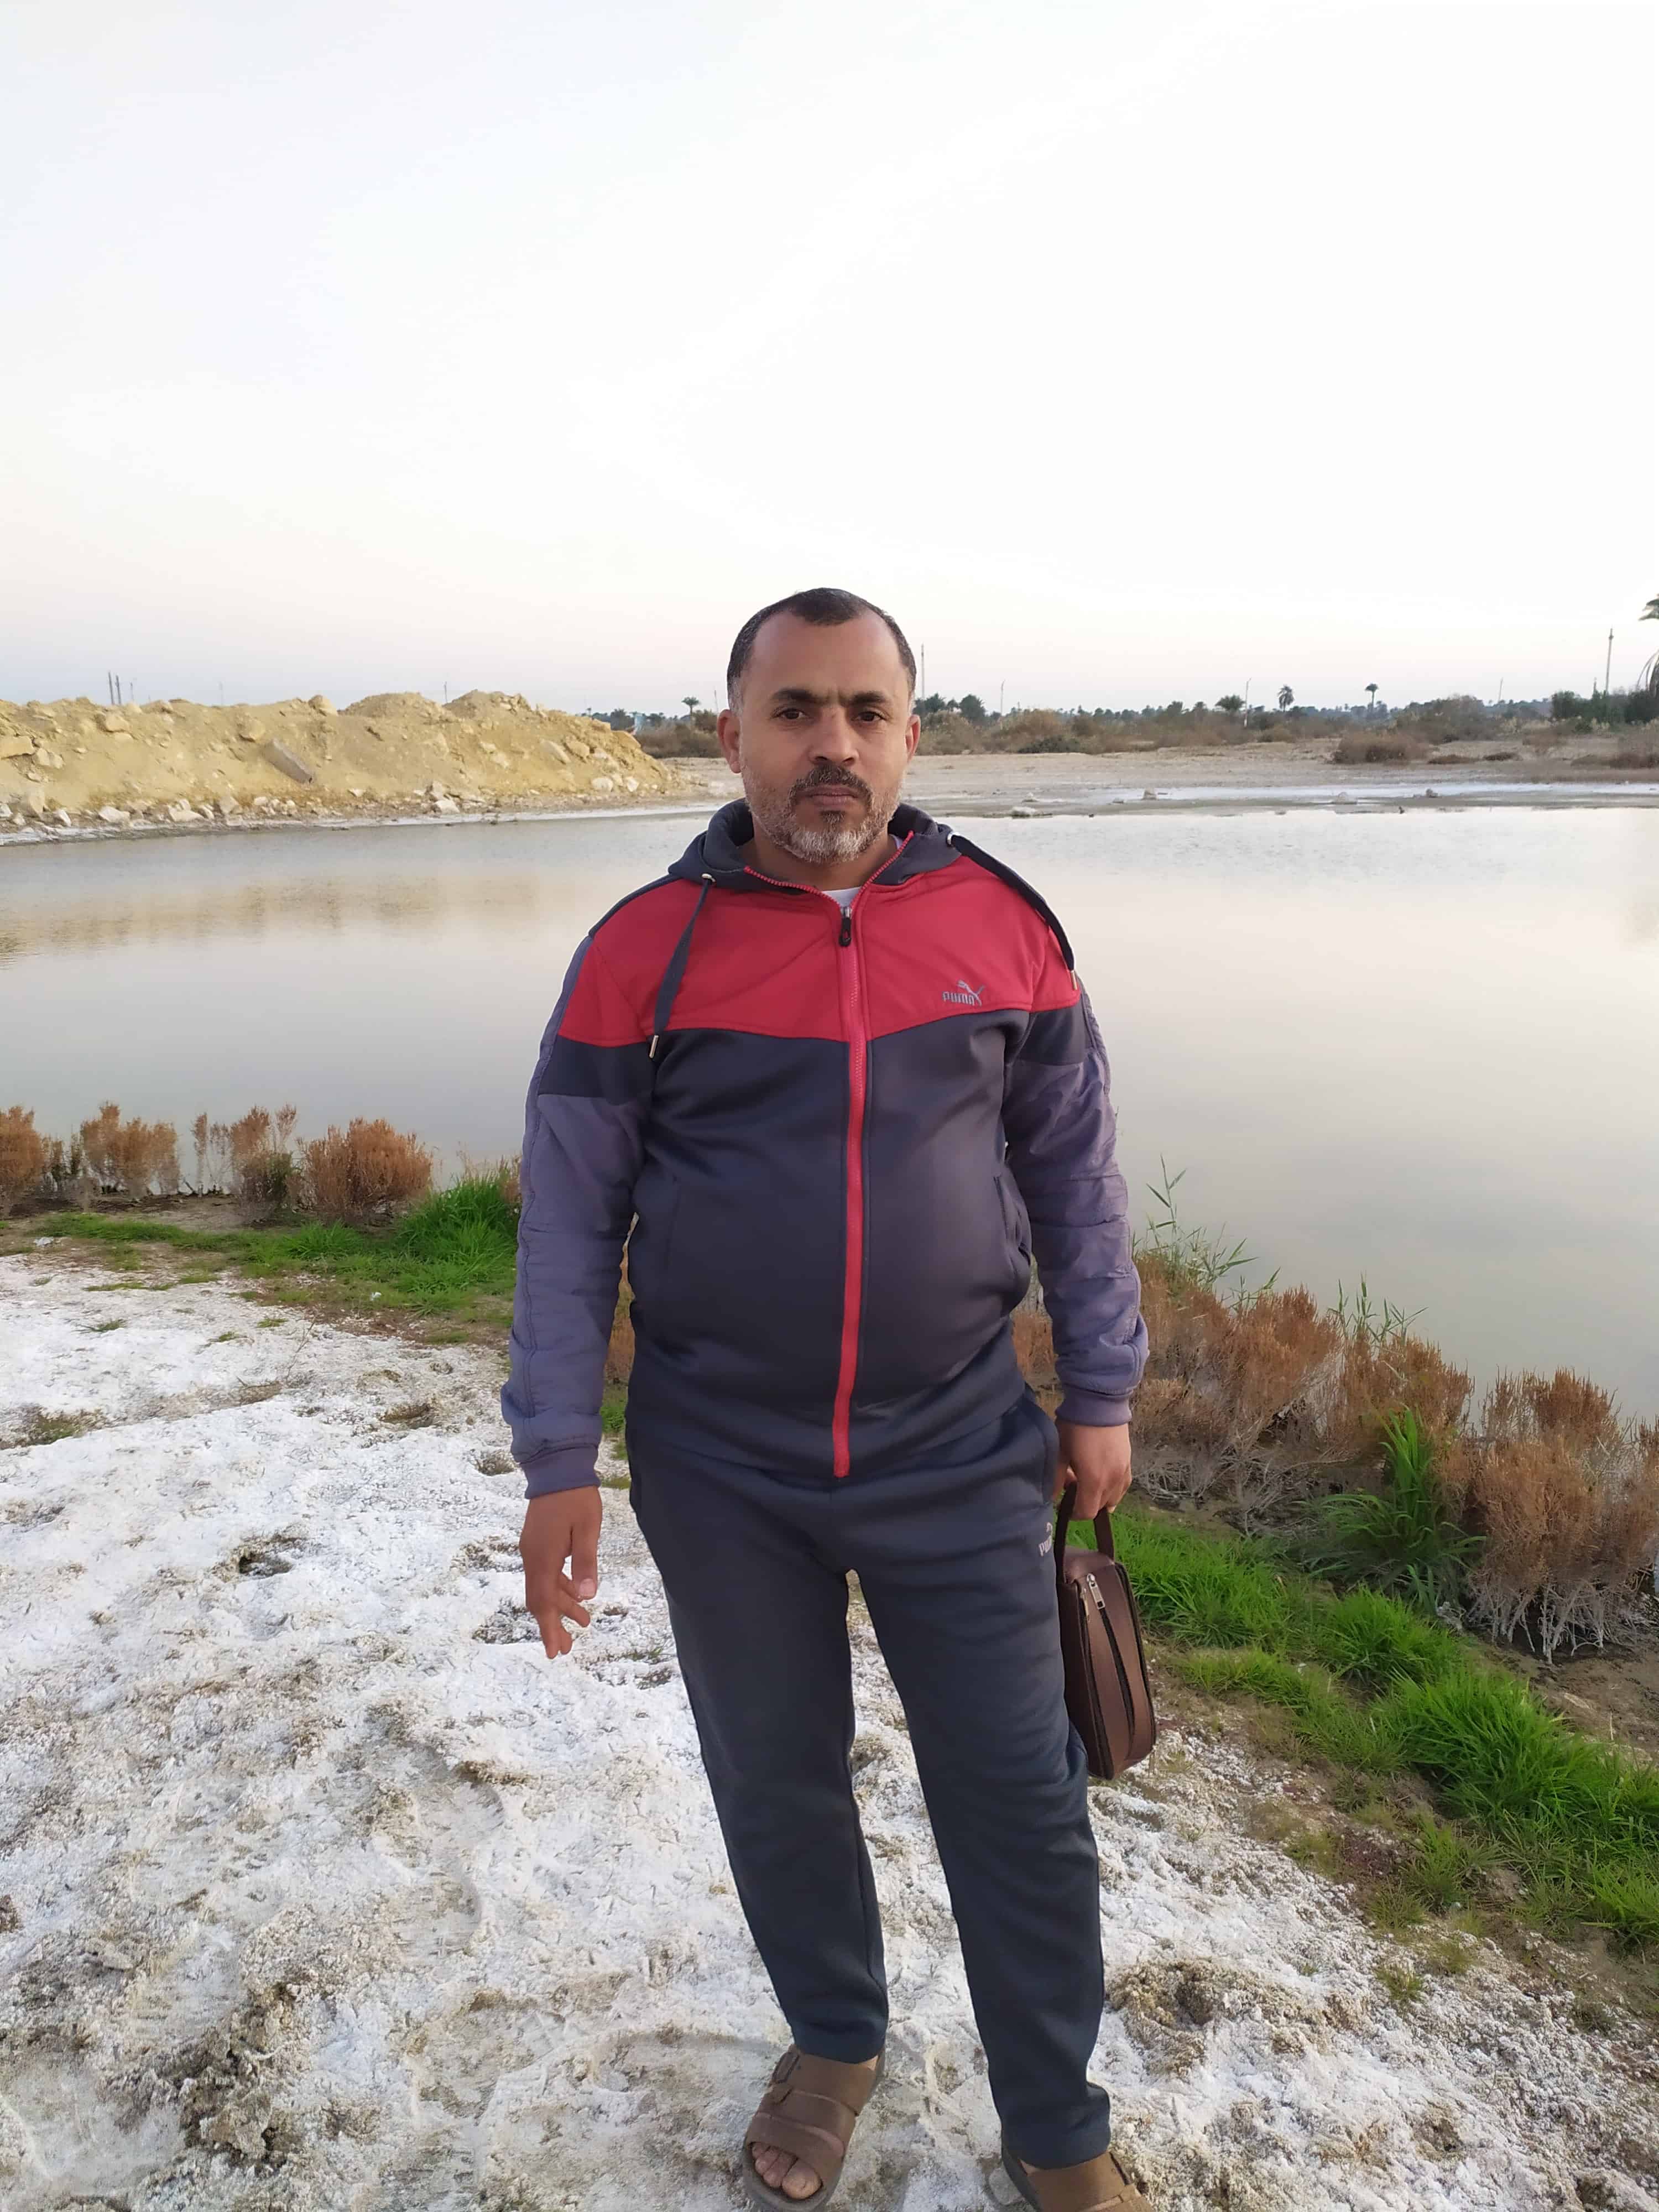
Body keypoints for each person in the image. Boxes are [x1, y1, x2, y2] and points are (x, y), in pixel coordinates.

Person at [505, 587, 1151, 2212]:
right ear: (733, 736)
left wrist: (1103, 1385)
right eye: (795, 711)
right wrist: (557, 1454)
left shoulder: (1005, 926)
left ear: (911, 734)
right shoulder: (643, 951)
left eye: (866, 711)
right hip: (723, 1463)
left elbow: (1075, 1175)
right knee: (778, 1779)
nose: (833, 745)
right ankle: (835, 2041)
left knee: (1020, 1798)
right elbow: (570, 1220)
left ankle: (1057, 2128)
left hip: (961, 1445)